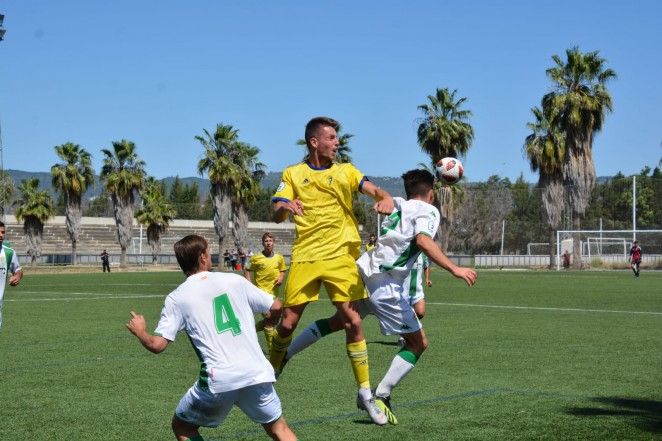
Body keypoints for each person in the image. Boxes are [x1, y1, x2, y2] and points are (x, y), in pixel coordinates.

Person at [275, 169, 477, 425]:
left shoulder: (399, 203)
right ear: (431, 194)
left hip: (364, 272)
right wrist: (455, 269)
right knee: (418, 343)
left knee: (338, 321)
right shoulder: (429, 210)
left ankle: (285, 355)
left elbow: (389, 205)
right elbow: (424, 241)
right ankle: (381, 394)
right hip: (386, 285)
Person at [270, 116, 395, 425]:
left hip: (341, 256)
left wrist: (386, 197)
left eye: (337, 137)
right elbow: (276, 211)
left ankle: (365, 394)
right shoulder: (293, 173)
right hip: (306, 256)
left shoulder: (346, 171)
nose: (336, 142)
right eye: (331, 137)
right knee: (286, 324)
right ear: (314, 142)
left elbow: (374, 189)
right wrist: (286, 207)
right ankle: (270, 372)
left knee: (353, 321)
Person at [126, 234, 297, 441]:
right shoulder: (234, 280)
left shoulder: (177, 298)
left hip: (220, 378)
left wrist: (140, 331)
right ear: (202, 257)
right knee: (279, 429)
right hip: (255, 371)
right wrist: (271, 321)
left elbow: (157, 345)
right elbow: (276, 306)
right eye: (208, 251)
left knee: (182, 426)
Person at [245, 232, 288, 352]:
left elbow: (282, 270)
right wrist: (249, 284)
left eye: (270, 241)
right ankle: (272, 349)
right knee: (270, 320)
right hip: (261, 293)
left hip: (274, 293)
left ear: (274, 242)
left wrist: (281, 278)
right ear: (262, 243)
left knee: (274, 318)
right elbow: (247, 269)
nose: (268, 243)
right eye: (266, 241)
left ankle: (250, 330)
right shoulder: (256, 258)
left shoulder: (279, 257)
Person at [0, 221, 23, 330]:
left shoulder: (9, 253)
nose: (1, 235)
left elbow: (18, 270)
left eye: (3, 232)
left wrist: (17, 276)